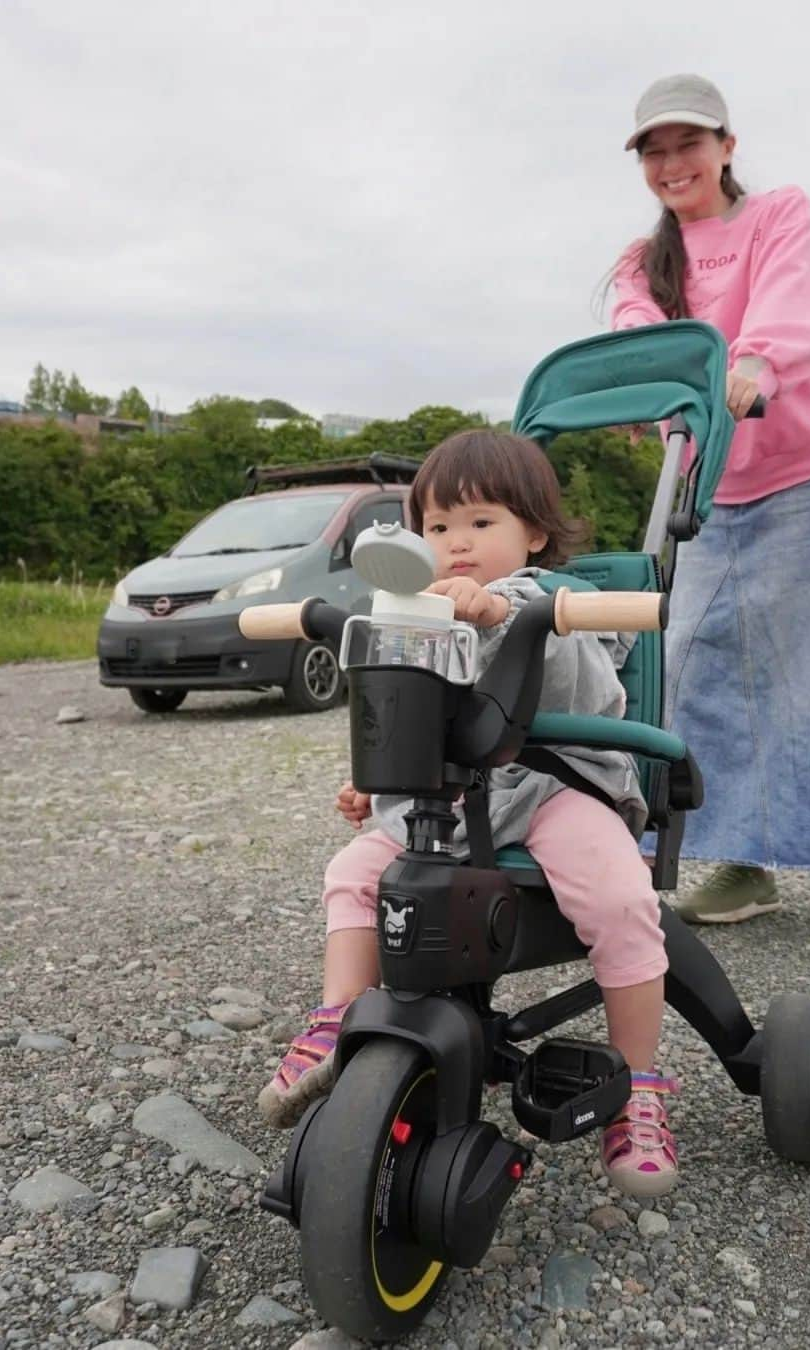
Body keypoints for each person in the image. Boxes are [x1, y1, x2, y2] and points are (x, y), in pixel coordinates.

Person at [258, 429, 679, 1197]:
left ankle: (639, 1088)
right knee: (353, 870)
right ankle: (334, 1018)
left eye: (480, 524)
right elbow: (413, 723)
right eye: (437, 528)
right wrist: (379, 787)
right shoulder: (415, 617)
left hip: (557, 788)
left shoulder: (566, 604)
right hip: (453, 801)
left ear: (534, 533)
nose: (456, 545)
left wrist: (495, 608)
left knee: (623, 901)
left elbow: (540, 633)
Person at [612, 74, 810, 922]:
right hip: (706, 483)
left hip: (806, 473)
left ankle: (750, 861)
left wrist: (755, 362)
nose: (672, 163)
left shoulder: (778, 214)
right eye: (654, 151)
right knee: (684, 661)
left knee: (803, 675)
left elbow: (790, 299)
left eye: (688, 144)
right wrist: (655, 389)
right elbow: (637, 332)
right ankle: (657, 844)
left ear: (726, 146)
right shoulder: (641, 259)